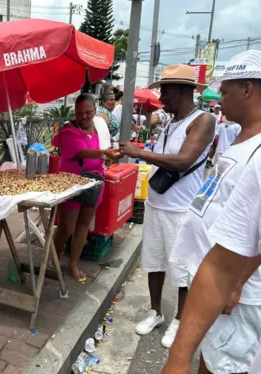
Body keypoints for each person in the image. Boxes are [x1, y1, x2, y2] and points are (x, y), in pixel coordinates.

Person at [163, 50, 261, 374]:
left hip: (236, 290)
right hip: (212, 280)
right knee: (211, 356)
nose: (220, 97)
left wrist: (236, 283)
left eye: (226, 90)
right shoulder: (241, 140)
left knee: (224, 366)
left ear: (247, 89)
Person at [119, 65, 216, 349]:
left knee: (183, 269)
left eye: (166, 90)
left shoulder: (203, 120)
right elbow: (162, 157)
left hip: (181, 210)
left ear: (185, 91)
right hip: (156, 205)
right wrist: (130, 152)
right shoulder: (170, 122)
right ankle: (156, 312)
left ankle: (179, 320)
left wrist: (140, 152)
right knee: (154, 261)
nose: (161, 96)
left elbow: (184, 161)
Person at [52, 94, 120, 282]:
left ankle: (73, 263)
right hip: (71, 185)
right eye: (80, 113)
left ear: (95, 110)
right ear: (75, 112)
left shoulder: (97, 128)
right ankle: (54, 260)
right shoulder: (67, 130)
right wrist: (103, 152)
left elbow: (96, 153)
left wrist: (105, 157)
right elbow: (81, 151)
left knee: (83, 225)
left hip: (94, 183)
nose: (84, 116)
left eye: (88, 112)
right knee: (66, 227)